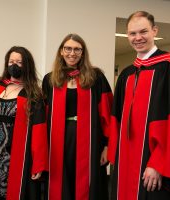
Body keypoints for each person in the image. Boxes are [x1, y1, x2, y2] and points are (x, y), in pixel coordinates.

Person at [108, 11, 170, 200]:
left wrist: (158, 163)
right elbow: (117, 120)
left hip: (154, 163)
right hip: (126, 161)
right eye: (132, 33)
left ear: (155, 31)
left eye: (143, 32)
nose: (138, 38)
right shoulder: (126, 74)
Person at [0, 46, 49, 200]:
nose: (14, 65)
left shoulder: (33, 94)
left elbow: (39, 130)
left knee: (6, 193)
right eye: (11, 61)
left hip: (14, 154)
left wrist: (38, 163)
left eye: (19, 62)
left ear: (27, 65)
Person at [42, 33, 113, 200]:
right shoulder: (50, 80)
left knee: (89, 184)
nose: (72, 53)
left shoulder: (96, 77)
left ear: (83, 53)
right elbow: (43, 117)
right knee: (60, 181)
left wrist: (107, 146)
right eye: (68, 48)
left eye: (77, 49)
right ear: (61, 51)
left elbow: (107, 114)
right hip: (59, 140)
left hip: (91, 140)